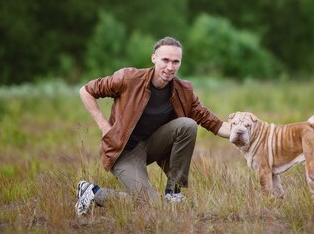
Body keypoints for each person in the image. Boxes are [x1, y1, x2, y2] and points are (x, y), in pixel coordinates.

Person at [75, 36, 231, 215]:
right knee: (151, 205)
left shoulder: (183, 90)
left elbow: (213, 123)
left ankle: (173, 193)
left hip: (152, 146)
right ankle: (93, 193)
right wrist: (103, 125)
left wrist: (246, 130)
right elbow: (86, 91)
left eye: (175, 62)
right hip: (123, 152)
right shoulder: (129, 78)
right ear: (154, 58)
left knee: (188, 125)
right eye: (165, 60)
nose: (170, 67)